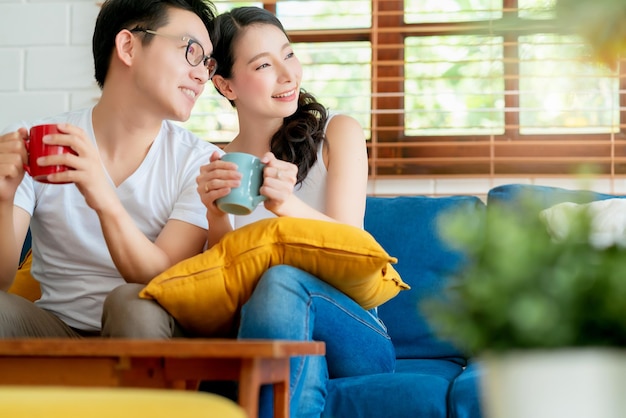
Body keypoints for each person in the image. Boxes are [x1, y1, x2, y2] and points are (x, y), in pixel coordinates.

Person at [196, 7, 396, 417]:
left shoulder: (338, 134)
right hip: (263, 333)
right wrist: (215, 216)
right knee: (301, 353)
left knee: (282, 281)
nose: (288, 75)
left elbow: (355, 249)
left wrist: (287, 206)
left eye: (288, 55)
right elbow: (222, 282)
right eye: (265, 64)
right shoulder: (217, 164)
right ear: (224, 84)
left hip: (354, 332)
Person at [0, 0, 220, 338]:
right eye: (190, 51)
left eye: (206, 61)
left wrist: (102, 196)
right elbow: (2, 282)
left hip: (144, 327)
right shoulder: (38, 140)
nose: (202, 73)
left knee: (132, 303)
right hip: (54, 330)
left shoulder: (201, 162)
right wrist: (3, 199)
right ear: (128, 47)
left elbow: (162, 278)